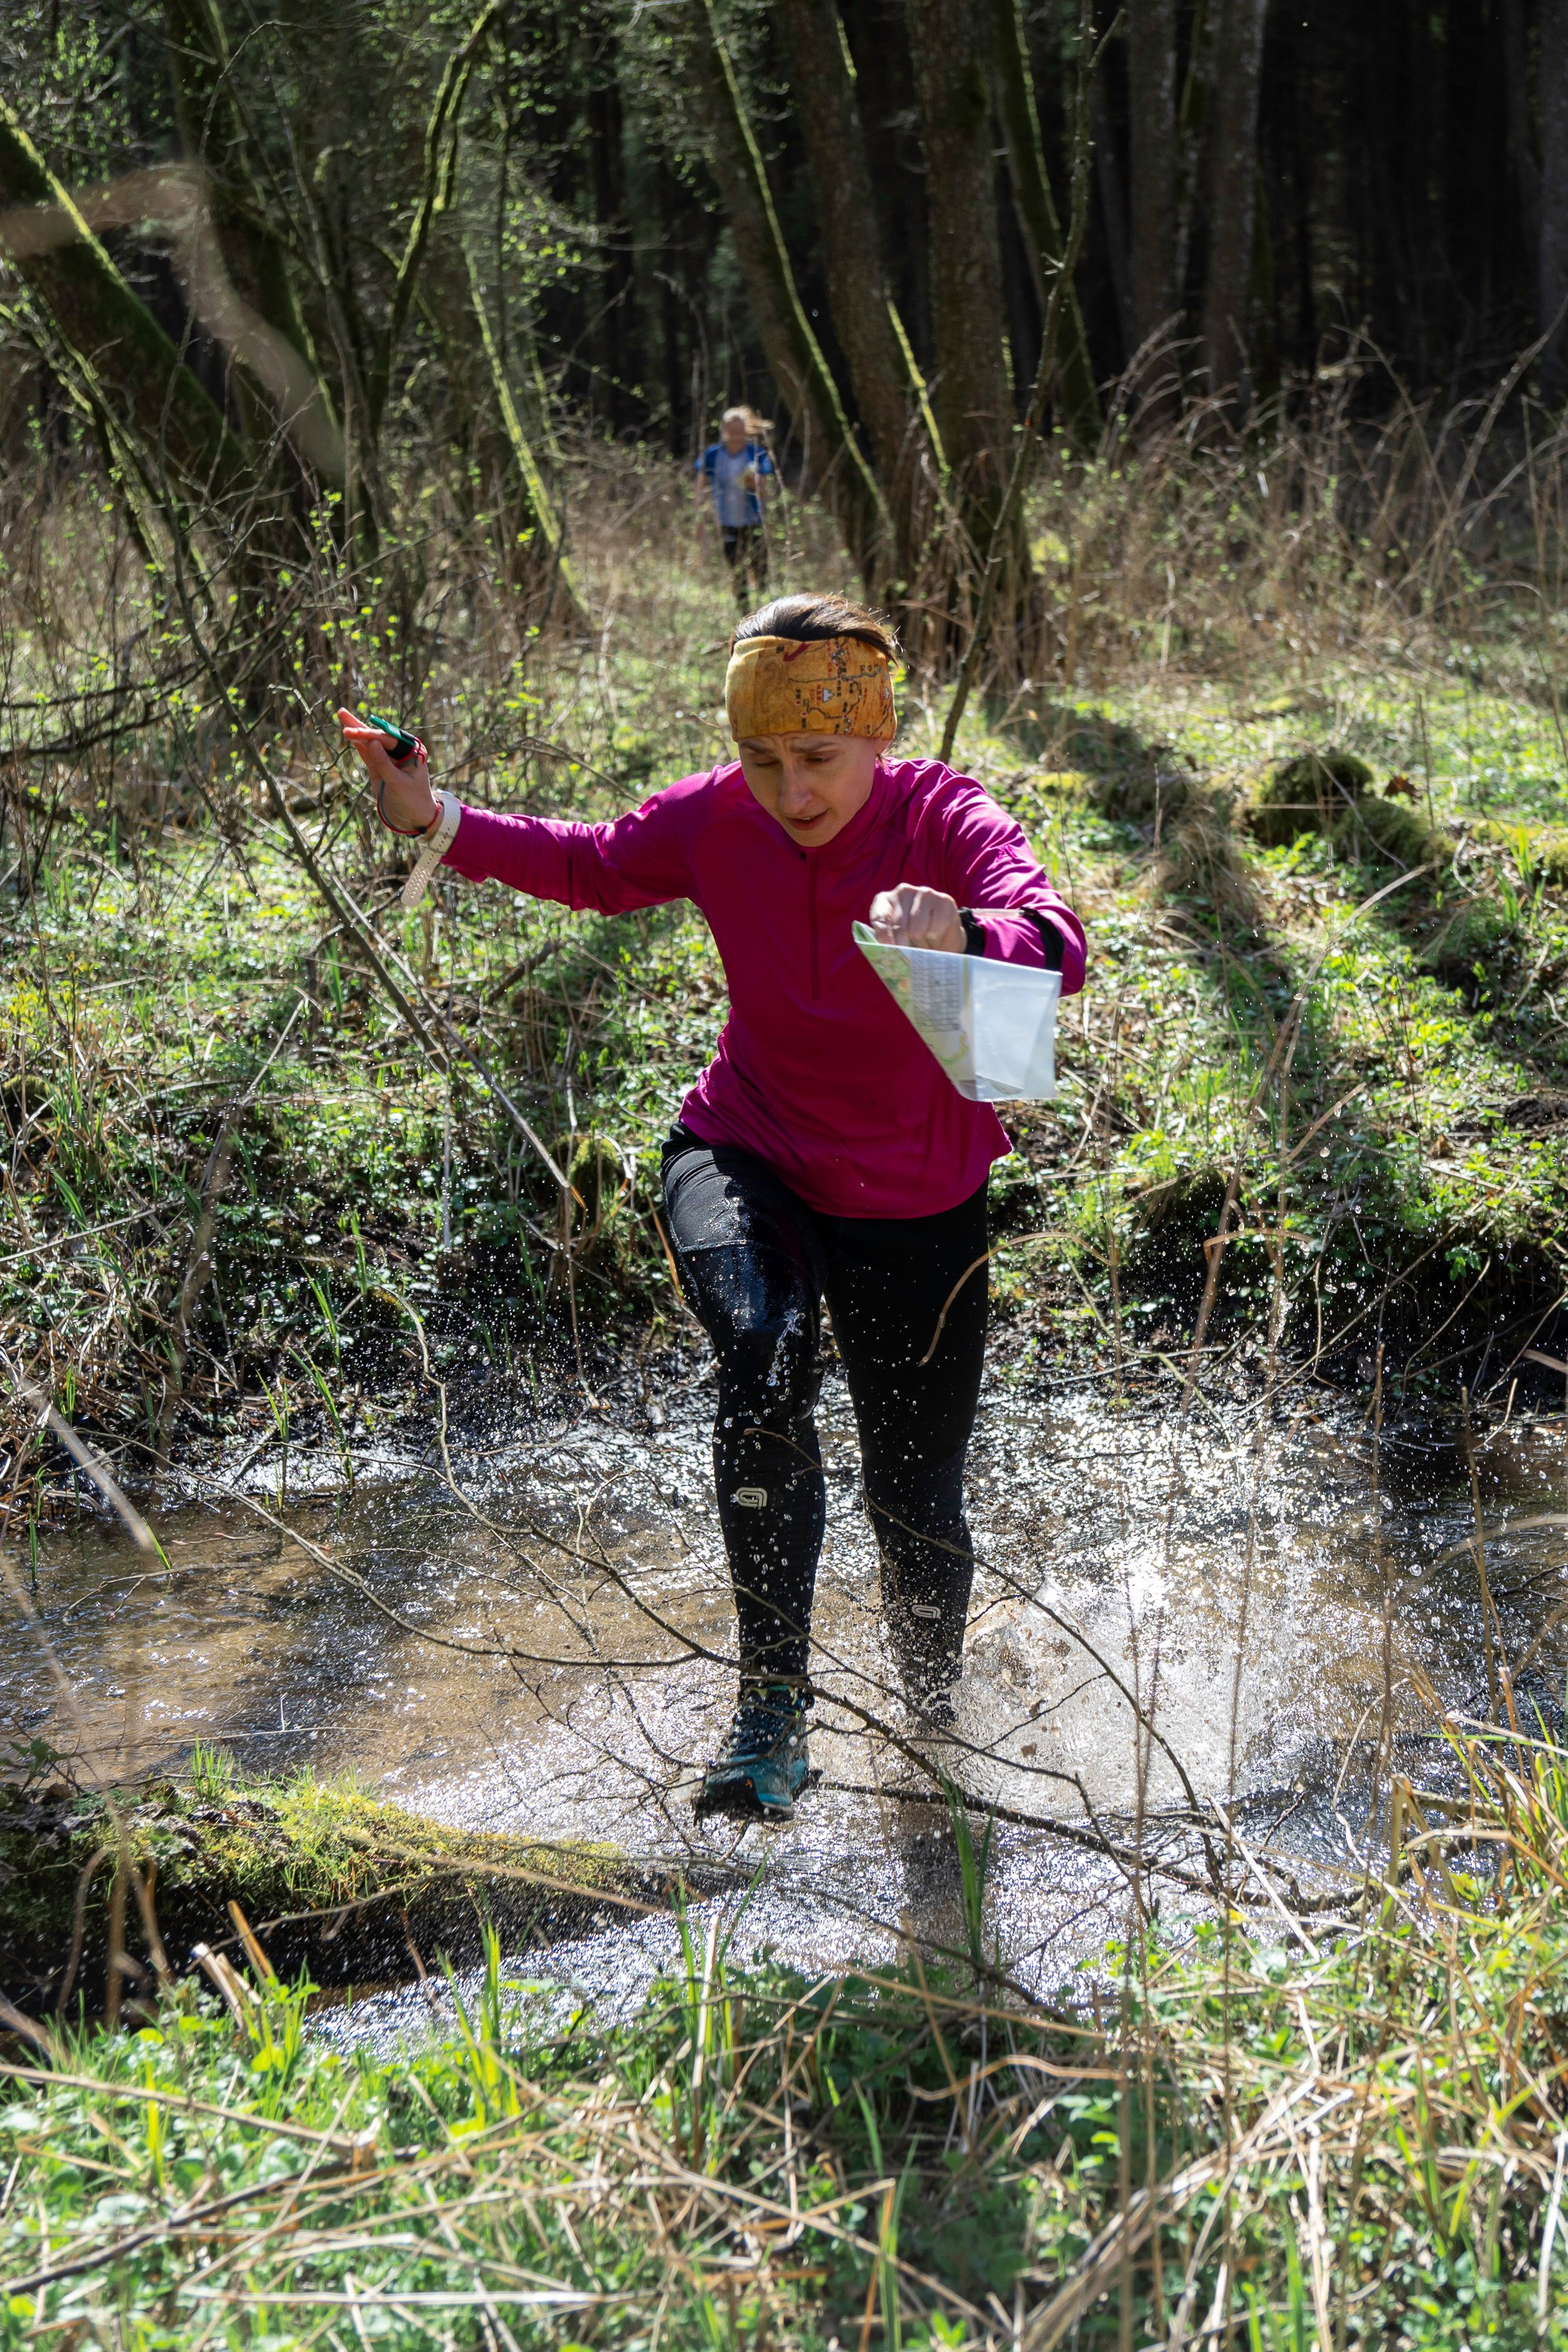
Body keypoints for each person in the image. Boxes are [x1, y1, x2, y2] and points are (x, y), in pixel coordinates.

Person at [337, 592, 1086, 1825]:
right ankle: (772, 1709)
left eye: (819, 760)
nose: (791, 791)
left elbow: (1058, 938)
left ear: (878, 736)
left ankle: (935, 1739)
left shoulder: (941, 815)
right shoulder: (715, 817)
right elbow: (588, 864)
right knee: (761, 1353)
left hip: (919, 1193)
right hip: (748, 1149)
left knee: (916, 1495)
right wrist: (434, 815)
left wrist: (969, 928)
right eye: (763, 759)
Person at [694, 408, 775, 606]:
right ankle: (745, 615)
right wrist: (699, 520)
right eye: (732, 431)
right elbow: (699, 490)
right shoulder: (712, 455)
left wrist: (754, 485)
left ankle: (767, 611)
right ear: (724, 430)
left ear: (746, 431)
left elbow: (765, 493)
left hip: (753, 521)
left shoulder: (757, 455)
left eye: (740, 431)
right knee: (737, 573)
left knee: (761, 572)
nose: (736, 436)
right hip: (727, 523)